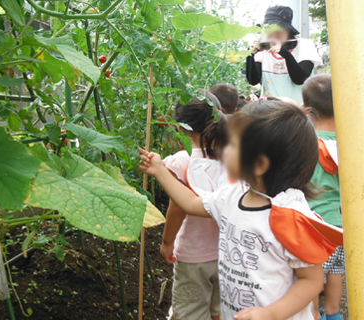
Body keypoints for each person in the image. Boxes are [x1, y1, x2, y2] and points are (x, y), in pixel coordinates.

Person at [140, 100, 342, 320]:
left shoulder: (291, 215)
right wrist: (159, 171)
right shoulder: (232, 194)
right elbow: (190, 203)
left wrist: (271, 313)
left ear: (258, 165)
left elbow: (311, 281)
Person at [161, 94, 227, 320]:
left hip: (193, 255)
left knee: (191, 313)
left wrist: (167, 242)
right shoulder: (231, 158)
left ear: (180, 128)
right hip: (228, 253)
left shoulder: (181, 162)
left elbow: (177, 208)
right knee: (220, 311)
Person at [303, 75, 344, 320]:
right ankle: (332, 312)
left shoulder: (306, 143)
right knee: (335, 270)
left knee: (311, 272)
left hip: (310, 220)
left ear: (307, 109)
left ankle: (311, 314)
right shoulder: (348, 144)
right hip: (337, 221)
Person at [246, 5, 321, 104]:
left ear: (289, 30)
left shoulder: (304, 45)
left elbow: (299, 79)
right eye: (269, 30)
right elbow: (253, 80)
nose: (273, 35)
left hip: (297, 111)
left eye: (277, 30)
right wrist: (250, 55)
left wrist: (284, 53)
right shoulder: (263, 48)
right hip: (270, 111)